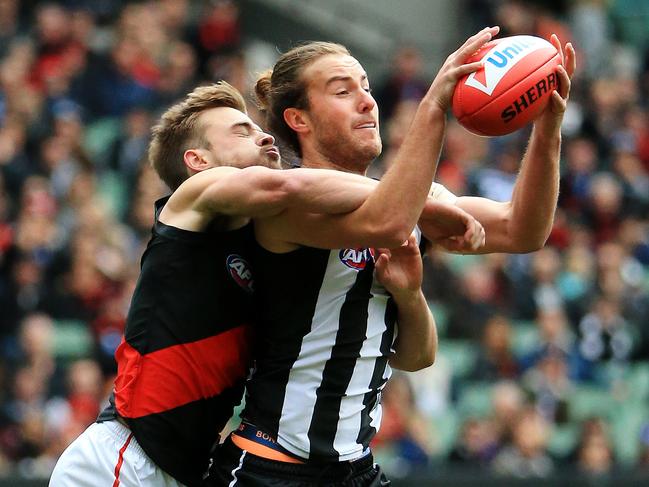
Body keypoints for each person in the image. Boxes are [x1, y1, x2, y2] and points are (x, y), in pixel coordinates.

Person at [49, 72, 482, 486]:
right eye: (241, 132)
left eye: (259, 129)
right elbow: (287, 189)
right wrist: (420, 201)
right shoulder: (194, 197)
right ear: (198, 160)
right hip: (125, 459)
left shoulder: (263, 239)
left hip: (184, 471)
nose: (264, 136)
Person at [210, 28, 575, 486]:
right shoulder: (283, 200)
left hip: (355, 468)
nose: (367, 101)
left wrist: (547, 126)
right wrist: (434, 105)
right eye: (343, 91)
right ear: (298, 119)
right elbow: (385, 219)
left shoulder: (408, 201)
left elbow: (522, 229)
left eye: (366, 86)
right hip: (270, 467)